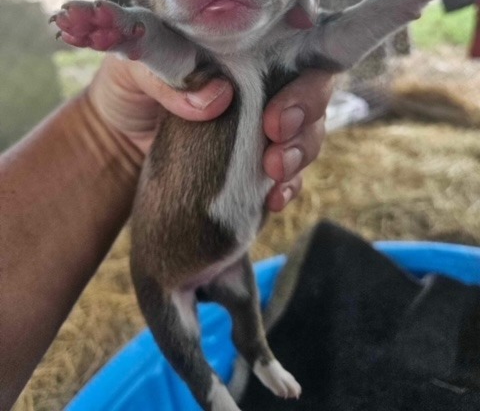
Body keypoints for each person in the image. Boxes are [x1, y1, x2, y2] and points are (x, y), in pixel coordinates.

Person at [0, 52, 332, 409]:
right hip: (168, 267)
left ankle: (259, 356)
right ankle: (214, 391)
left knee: (246, 313)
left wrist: (107, 124)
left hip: (225, 245)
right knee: (188, 352)